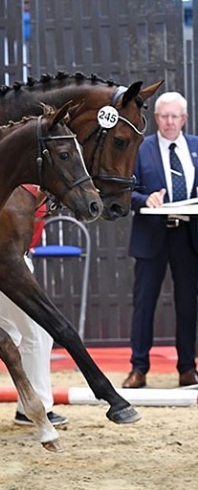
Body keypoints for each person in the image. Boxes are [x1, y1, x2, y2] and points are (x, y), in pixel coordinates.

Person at [122, 91, 198, 389]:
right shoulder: (140, 149)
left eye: (175, 116)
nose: (169, 121)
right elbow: (125, 192)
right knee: (144, 304)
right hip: (151, 235)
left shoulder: (196, 147)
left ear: (184, 119)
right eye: (164, 116)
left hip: (188, 236)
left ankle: (187, 369)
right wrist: (144, 199)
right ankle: (138, 369)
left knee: (188, 305)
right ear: (156, 118)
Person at [0, 189, 68, 426]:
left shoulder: (33, 190)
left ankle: (28, 405)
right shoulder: (22, 190)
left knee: (12, 330)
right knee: (37, 334)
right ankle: (34, 408)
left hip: (14, 259)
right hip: (11, 262)